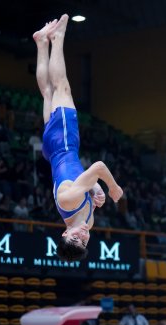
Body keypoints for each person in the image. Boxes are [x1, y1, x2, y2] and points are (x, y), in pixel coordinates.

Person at [33, 15, 123, 261]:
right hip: (54, 151)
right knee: (47, 93)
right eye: (84, 242)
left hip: (63, 144)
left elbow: (99, 167)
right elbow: (82, 180)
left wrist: (112, 187)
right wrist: (95, 188)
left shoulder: (69, 203)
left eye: (75, 238)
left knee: (61, 87)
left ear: (64, 233)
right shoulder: (88, 221)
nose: (82, 236)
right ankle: (41, 42)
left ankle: (57, 38)